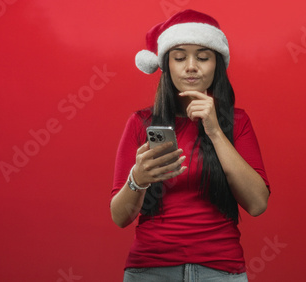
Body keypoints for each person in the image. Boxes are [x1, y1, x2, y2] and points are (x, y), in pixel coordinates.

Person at [110, 9, 270, 282]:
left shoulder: (237, 122)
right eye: (180, 57)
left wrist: (215, 131)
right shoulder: (141, 123)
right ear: (166, 65)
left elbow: (257, 204)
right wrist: (137, 180)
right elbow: (120, 217)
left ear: (216, 65)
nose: (191, 66)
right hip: (151, 269)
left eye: (203, 57)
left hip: (221, 269)